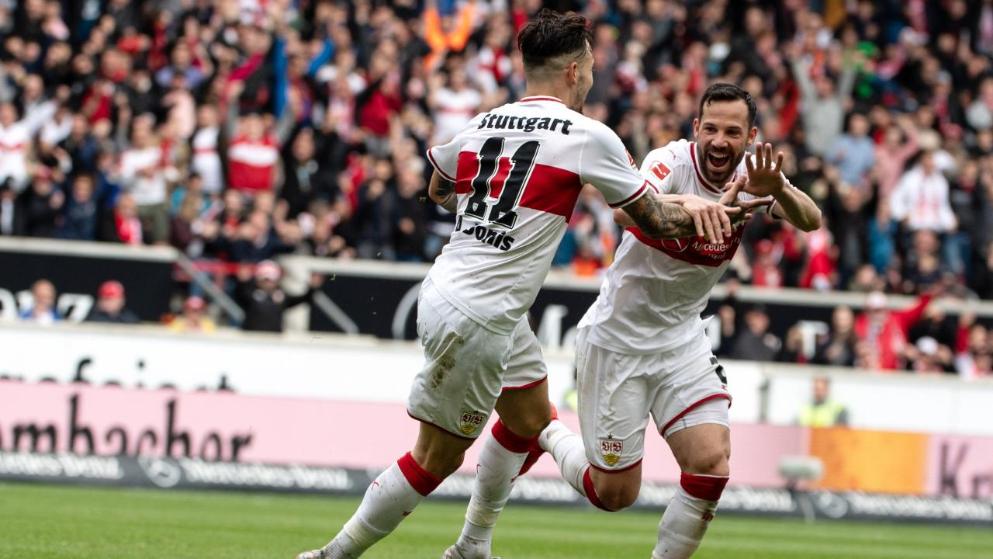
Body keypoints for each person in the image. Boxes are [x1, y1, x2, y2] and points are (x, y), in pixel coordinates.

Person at [296, 10, 740, 559]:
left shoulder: (485, 121)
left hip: (462, 291)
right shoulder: (587, 135)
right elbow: (654, 219)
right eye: (591, 67)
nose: (593, 76)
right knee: (435, 457)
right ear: (574, 71)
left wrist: (486, 213)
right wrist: (707, 211)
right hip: (480, 315)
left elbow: (439, 187)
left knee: (530, 421)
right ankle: (331, 556)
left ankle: (473, 546)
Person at [532, 83, 821, 559]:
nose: (720, 141)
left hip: (682, 340)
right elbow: (627, 213)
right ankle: (546, 430)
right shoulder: (670, 161)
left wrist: (781, 191)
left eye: (733, 132)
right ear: (696, 128)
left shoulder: (754, 173)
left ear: (750, 137)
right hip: (619, 341)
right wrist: (693, 205)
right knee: (613, 494)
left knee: (711, 463)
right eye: (711, 129)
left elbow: (811, 220)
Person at [235, 260, 321, 333]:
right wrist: (243, 282)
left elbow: (304, 299)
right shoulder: (250, 294)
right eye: (266, 279)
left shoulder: (281, 296)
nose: (269, 283)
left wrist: (312, 288)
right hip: (252, 339)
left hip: (275, 341)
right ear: (258, 279)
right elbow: (239, 295)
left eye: (272, 279)